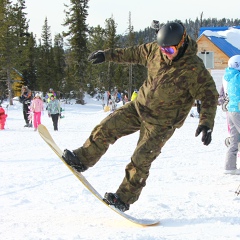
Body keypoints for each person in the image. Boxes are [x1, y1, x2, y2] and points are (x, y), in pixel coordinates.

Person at [62, 22, 219, 212]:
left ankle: (123, 198)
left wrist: (206, 122)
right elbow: (132, 53)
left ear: (182, 42)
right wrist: (107, 54)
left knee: (141, 158)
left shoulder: (194, 69)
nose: (165, 52)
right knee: (106, 127)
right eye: (163, 48)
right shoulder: (155, 51)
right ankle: (82, 159)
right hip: (139, 107)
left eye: (169, 48)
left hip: (161, 123)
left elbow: (209, 95)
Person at [223, 55, 240, 175]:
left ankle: (229, 167)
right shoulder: (238, 77)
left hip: (231, 111)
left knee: (234, 139)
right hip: (238, 110)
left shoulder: (229, 76)